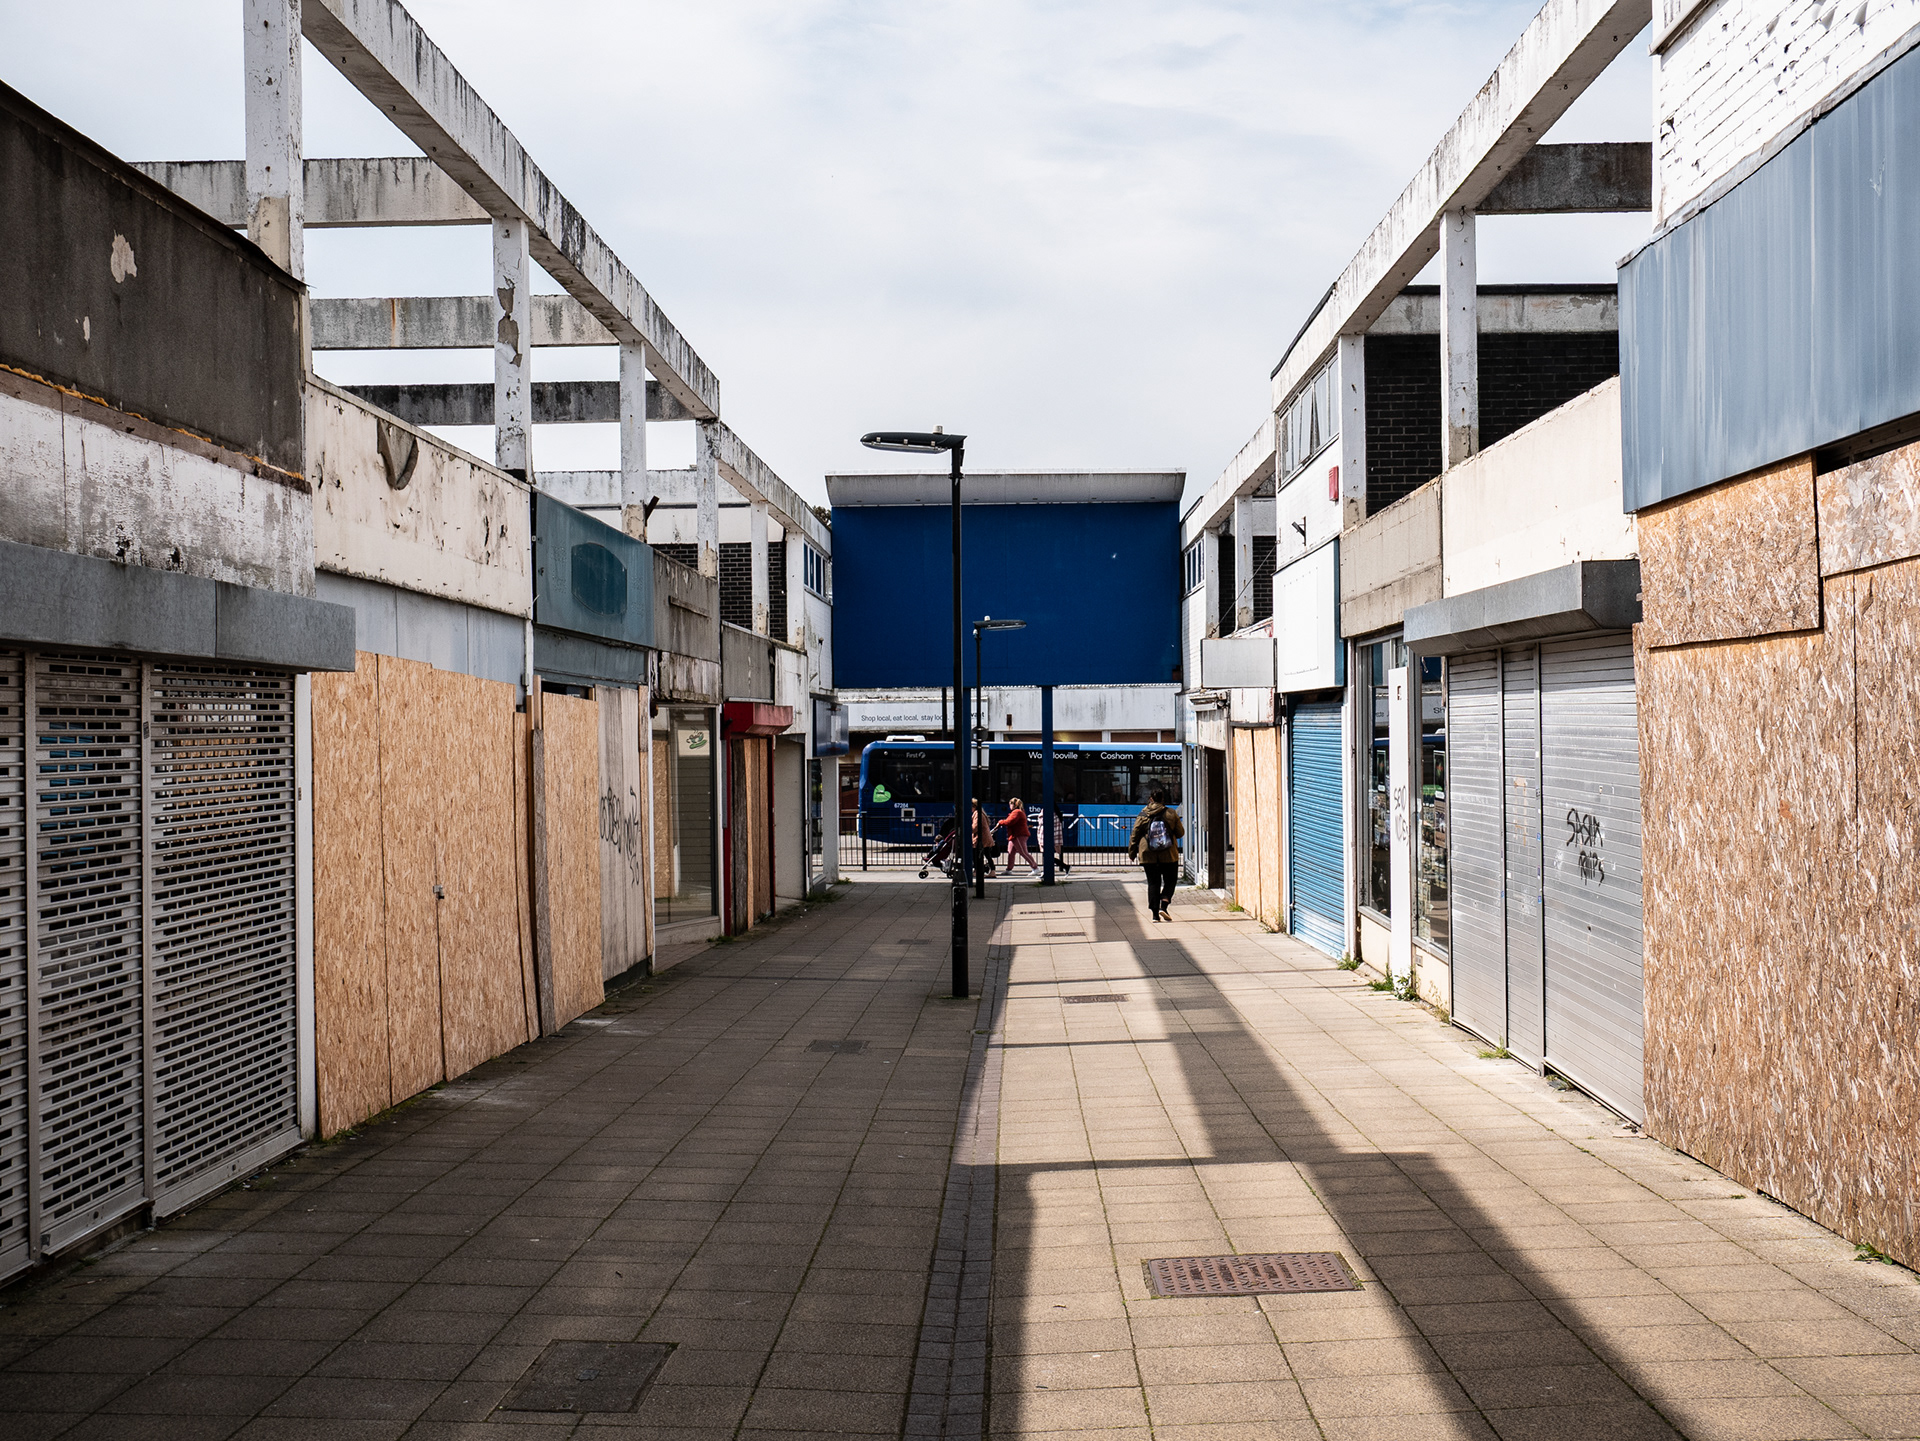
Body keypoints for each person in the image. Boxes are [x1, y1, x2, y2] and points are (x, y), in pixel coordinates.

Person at [1129, 788, 1184, 922]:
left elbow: (1135, 834)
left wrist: (1132, 852)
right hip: (1168, 854)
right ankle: (1163, 904)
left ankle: (1154, 915)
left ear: (1151, 799)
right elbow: (1180, 833)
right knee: (1170, 880)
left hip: (1148, 854)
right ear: (1163, 799)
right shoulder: (1171, 813)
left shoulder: (1143, 814)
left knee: (1153, 882)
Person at [1002, 796, 1037, 874]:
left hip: (1018, 835)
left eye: (1010, 804)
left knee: (1023, 852)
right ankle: (1009, 869)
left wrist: (1000, 822)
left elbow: (1009, 822)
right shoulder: (1018, 812)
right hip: (1014, 835)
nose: (1009, 806)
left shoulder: (1017, 812)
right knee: (1010, 852)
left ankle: (1035, 867)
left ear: (1013, 804)